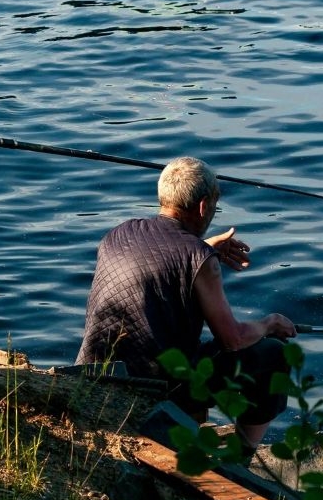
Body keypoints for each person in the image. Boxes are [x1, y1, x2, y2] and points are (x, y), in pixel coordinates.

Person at [76, 156, 298, 447]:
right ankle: (244, 452)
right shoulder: (199, 259)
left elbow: (157, 262)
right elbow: (232, 339)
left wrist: (205, 246)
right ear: (204, 206)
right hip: (155, 387)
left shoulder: (118, 234)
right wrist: (270, 323)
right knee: (273, 354)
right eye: (214, 206)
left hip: (94, 373)